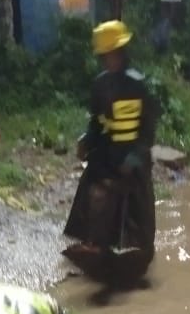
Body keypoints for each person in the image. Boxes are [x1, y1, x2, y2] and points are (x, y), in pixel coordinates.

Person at [63, 20, 156, 286]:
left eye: (113, 54)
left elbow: (147, 132)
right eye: (105, 56)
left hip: (134, 154)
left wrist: (135, 156)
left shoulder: (140, 85)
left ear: (123, 53)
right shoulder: (100, 85)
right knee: (93, 185)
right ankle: (94, 242)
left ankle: (143, 249)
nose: (109, 60)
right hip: (109, 150)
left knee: (139, 201)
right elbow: (97, 122)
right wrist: (86, 140)